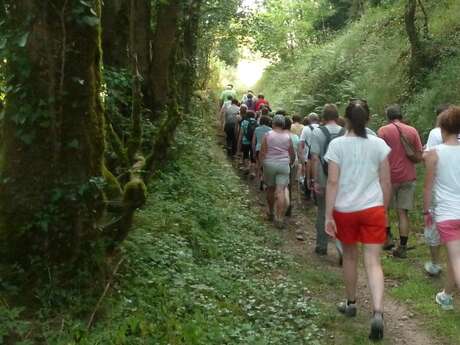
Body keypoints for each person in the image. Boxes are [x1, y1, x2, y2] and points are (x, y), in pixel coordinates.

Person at [325, 99, 391, 341]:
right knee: (373, 262)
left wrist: (328, 214)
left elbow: (332, 182)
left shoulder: (337, 145)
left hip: (345, 209)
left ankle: (351, 303)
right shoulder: (379, 144)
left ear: (347, 120)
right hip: (373, 208)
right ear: (369, 119)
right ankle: (377, 312)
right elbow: (386, 182)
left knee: (350, 257)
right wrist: (383, 209)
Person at [423, 106, 460, 310]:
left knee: (455, 258)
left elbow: (428, 186)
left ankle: (448, 295)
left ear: (442, 128)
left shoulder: (433, 154)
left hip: (447, 213)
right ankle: (446, 295)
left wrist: (426, 211)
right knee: (456, 259)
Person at [378, 105, 423, 258]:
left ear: (387, 116)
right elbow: (419, 154)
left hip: (389, 177)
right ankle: (402, 246)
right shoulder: (412, 130)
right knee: (403, 212)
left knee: (384, 209)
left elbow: (379, 155)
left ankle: (387, 238)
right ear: (401, 115)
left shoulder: (383, 131)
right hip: (408, 176)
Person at [311, 105, 345, 258]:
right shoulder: (345, 132)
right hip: (342, 179)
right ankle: (341, 248)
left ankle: (321, 245)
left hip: (324, 177)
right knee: (341, 213)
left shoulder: (317, 131)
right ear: (337, 116)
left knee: (323, 211)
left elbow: (315, 158)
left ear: (323, 117)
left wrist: (314, 179)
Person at [422, 104, 451, 276]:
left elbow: (428, 160)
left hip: (439, 185)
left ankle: (435, 263)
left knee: (433, 223)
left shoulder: (435, 132)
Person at [259, 114, 295, 229]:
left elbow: (263, 152)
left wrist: (261, 165)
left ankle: (270, 212)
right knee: (280, 191)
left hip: (269, 164)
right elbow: (292, 153)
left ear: (273, 123)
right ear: (283, 124)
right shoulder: (288, 137)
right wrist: (290, 162)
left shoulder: (267, 135)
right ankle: (279, 218)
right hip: (284, 164)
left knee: (270, 188)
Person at [300, 112, 320, 200]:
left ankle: (307, 194)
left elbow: (302, 142)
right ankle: (316, 195)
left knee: (308, 174)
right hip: (319, 155)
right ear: (317, 119)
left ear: (309, 119)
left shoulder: (305, 128)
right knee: (317, 174)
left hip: (308, 154)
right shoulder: (322, 128)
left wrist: (301, 154)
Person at [283, 116, 300, 217]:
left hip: (282, 161)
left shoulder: (279, 135)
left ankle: (282, 206)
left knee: (281, 185)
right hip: (294, 162)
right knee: (289, 185)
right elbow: (298, 151)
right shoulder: (295, 137)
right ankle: (288, 206)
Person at [253, 115, 272, 189]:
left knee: (259, 165)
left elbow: (253, 141)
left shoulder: (257, 129)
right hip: (267, 150)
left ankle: (259, 179)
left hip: (258, 149)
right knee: (266, 166)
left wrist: (254, 151)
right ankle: (264, 180)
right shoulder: (270, 130)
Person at [238, 110, 258, 176]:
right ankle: (253, 172)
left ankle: (246, 167)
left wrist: (239, 141)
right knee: (253, 157)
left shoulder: (244, 122)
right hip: (254, 142)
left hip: (245, 141)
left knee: (246, 155)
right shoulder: (256, 122)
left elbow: (241, 133)